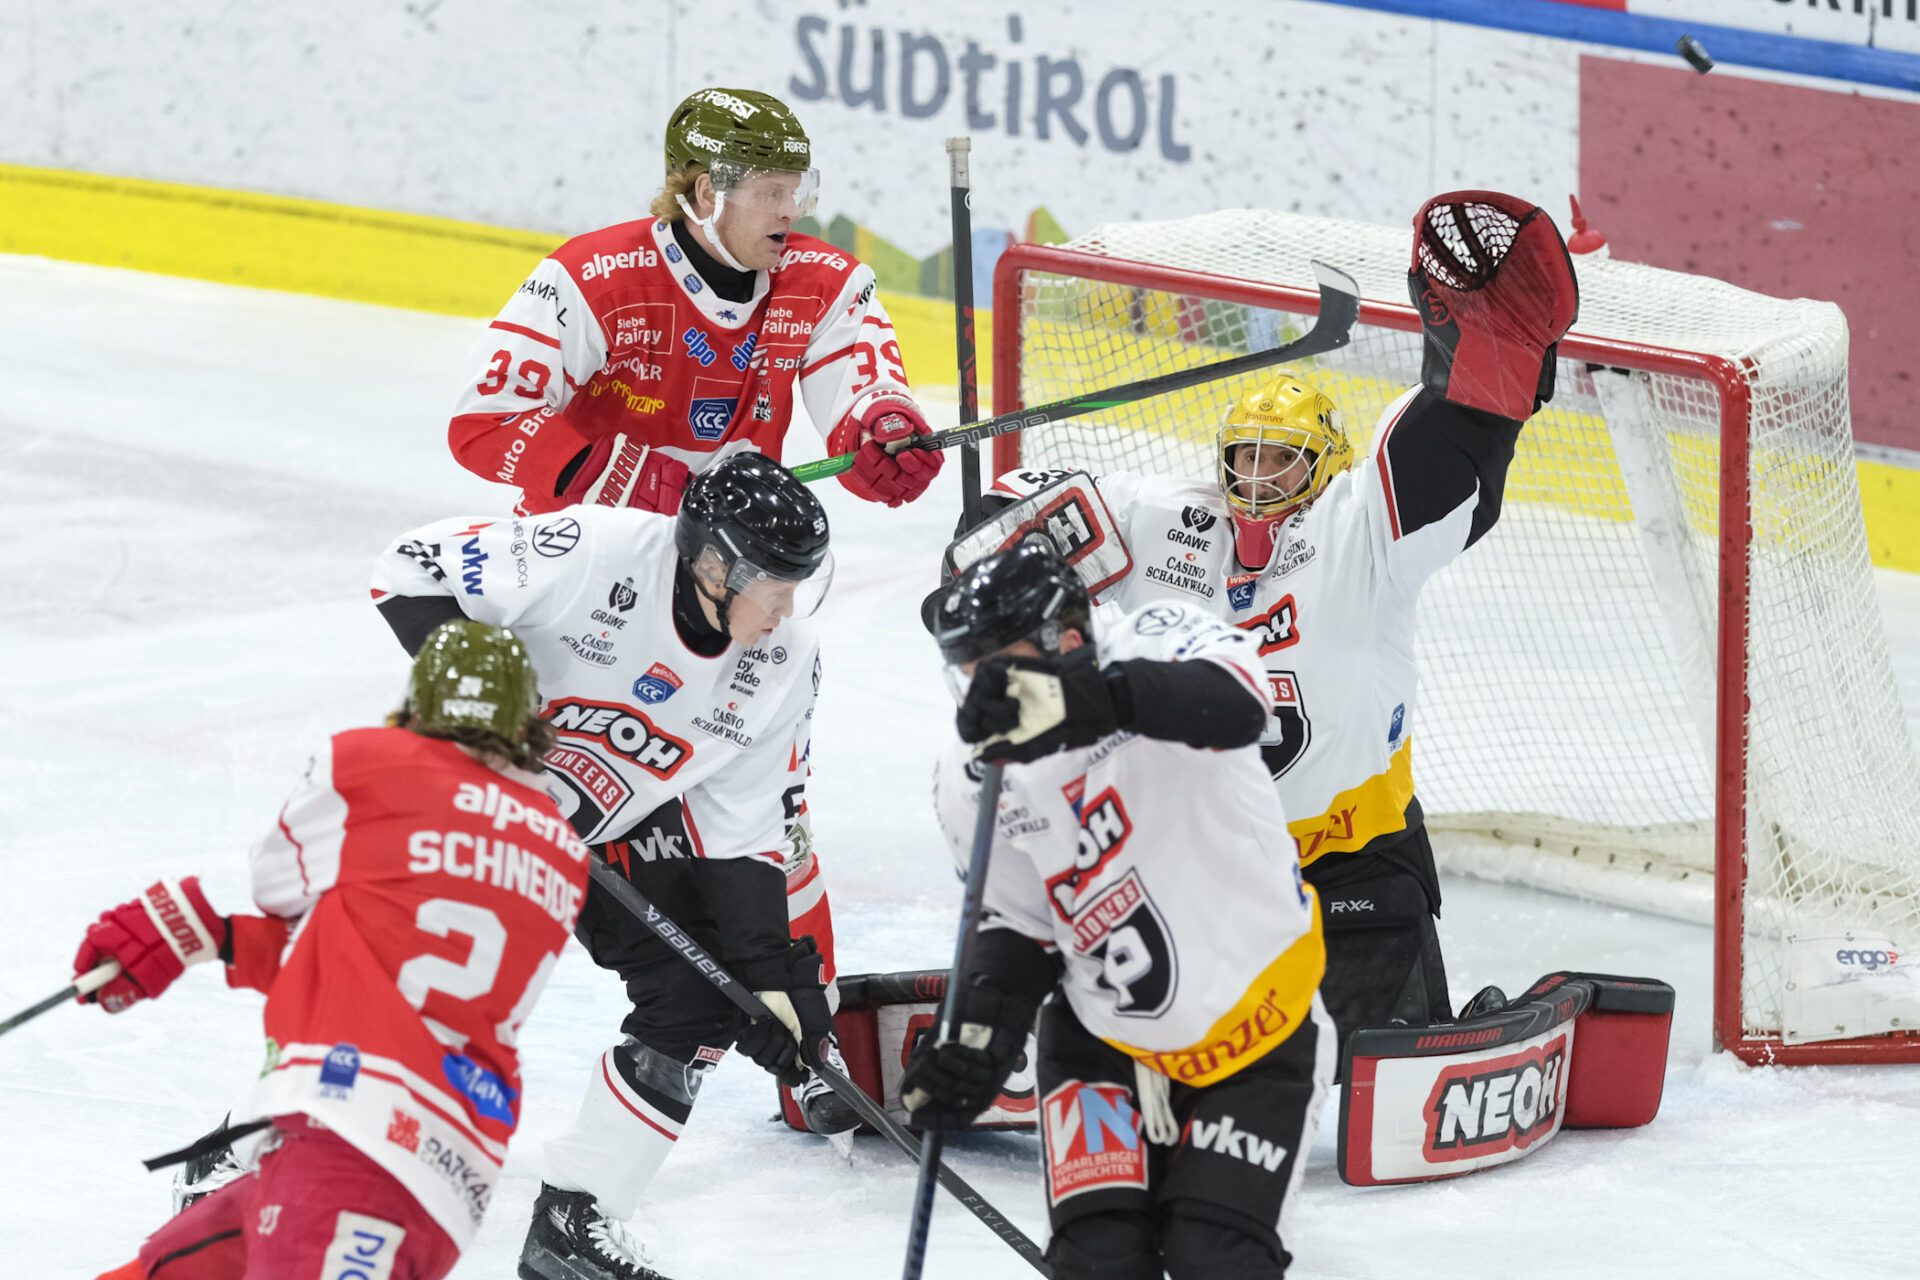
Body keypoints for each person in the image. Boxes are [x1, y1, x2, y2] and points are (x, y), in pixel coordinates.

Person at [945, 189, 1581, 1060]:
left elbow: (1437, 464)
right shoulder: (1170, 518)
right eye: (1245, 455)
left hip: (1354, 854)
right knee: (1169, 1047)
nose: (1258, 475)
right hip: (1201, 856)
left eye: (1282, 458)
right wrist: (989, 540)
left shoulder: (1360, 528)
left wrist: (1482, 379)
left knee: (1370, 1057)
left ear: (1325, 464)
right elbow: (1027, 514)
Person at [370, 453, 841, 1280]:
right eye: (774, 589)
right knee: (432, 984)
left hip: (608, 825)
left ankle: (573, 1216)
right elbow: (408, 567)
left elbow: (742, 826)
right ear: (714, 568)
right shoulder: (594, 553)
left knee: (700, 1000)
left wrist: (767, 971)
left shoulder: (782, 657)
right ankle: (259, 1155)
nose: (786, 612)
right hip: (475, 800)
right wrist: (484, 699)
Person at [83, 621, 586, 1280]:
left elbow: (278, 889)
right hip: (442, 1177)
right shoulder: (564, 847)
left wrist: (214, 932)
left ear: (419, 704)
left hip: (352, 1148)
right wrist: (213, 940)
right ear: (527, 722)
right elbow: (371, 956)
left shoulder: (370, 761)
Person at [904, 539, 1333, 1279]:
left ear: (1066, 641)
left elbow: (1239, 704)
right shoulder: (973, 770)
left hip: (1258, 1032)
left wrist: (1082, 700)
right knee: (1098, 1265)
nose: (980, 694)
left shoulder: (1158, 636)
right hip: (1100, 1044)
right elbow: (1017, 923)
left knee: (1216, 1262)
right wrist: (979, 1034)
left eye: (995, 668)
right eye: (967, 672)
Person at [449, 85, 941, 516]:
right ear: (708, 193)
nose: (791, 211)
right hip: (579, 549)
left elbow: (864, 404)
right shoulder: (594, 277)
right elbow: (487, 419)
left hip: (728, 559)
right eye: (771, 192)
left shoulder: (823, 282)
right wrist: (610, 475)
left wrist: (882, 433)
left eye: (796, 191)